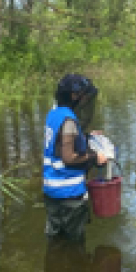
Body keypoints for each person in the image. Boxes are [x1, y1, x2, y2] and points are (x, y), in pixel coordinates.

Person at [43, 73, 107, 238]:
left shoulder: (54, 113)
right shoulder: (69, 120)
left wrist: (85, 136)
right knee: (74, 244)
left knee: (55, 241)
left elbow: (60, 142)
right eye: (84, 96)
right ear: (74, 96)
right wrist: (95, 157)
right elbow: (68, 157)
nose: (86, 101)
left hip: (52, 192)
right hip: (69, 193)